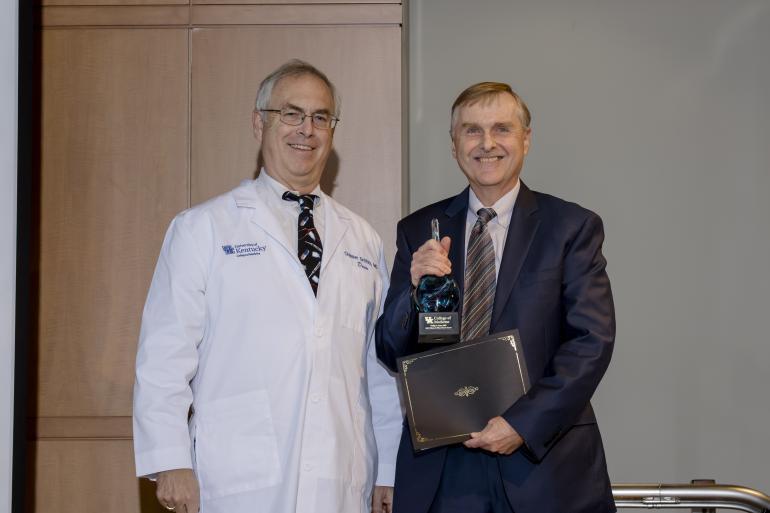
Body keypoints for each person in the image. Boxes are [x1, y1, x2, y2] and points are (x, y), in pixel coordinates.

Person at [133, 59, 401, 513]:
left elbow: (379, 371)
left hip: (342, 473)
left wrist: (390, 470)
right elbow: (164, 353)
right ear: (260, 123)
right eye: (291, 114)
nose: (307, 129)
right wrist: (170, 458)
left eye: (321, 117)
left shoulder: (362, 239)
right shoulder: (204, 228)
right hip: (239, 475)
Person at [375, 81, 616, 513]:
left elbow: (590, 342)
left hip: (540, 461)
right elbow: (392, 350)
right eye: (471, 131)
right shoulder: (418, 230)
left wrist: (521, 424)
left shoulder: (570, 228)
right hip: (443, 467)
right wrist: (412, 293)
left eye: (502, 129)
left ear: (525, 139)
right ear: (454, 146)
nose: (487, 143)